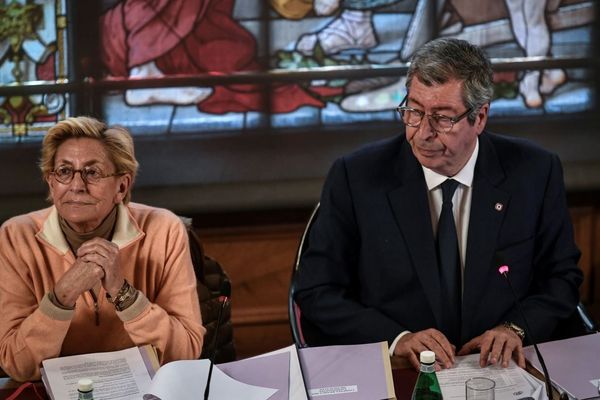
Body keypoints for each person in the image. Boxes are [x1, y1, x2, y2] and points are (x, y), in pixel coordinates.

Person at [294, 38, 582, 371]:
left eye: (443, 118)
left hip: (500, 368)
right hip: (400, 369)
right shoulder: (356, 177)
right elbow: (317, 290)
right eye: (414, 111)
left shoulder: (535, 171)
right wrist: (397, 339)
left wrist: (515, 327)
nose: (421, 133)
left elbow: (561, 277)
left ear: (480, 117)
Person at [0, 116, 205, 381]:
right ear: (51, 183)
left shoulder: (165, 229)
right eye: (64, 171)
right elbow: (18, 365)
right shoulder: (16, 236)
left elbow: (187, 353)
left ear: (122, 186)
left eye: (92, 172)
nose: (76, 185)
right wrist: (62, 297)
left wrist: (124, 294)